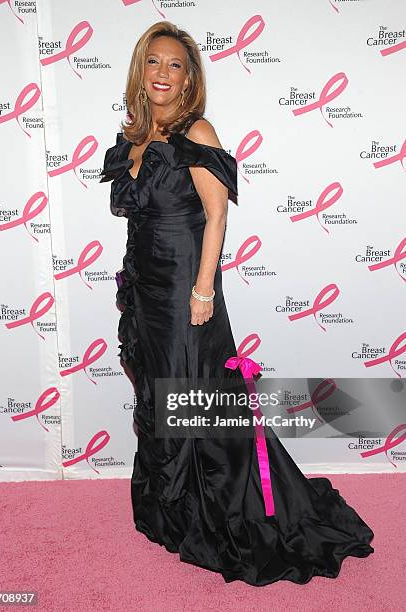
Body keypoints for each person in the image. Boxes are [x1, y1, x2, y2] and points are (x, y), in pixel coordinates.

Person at [100, 21, 374, 587]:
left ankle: (212, 508)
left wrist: (203, 290)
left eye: (176, 65)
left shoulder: (196, 129)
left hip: (183, 290)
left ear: (189, 78)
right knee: (159, 392)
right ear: (140, 69)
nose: (163, 74)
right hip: (144, 290)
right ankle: (172, 510)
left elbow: (217, 215)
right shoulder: (133, 134)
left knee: (188, 392)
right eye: (154, 62)